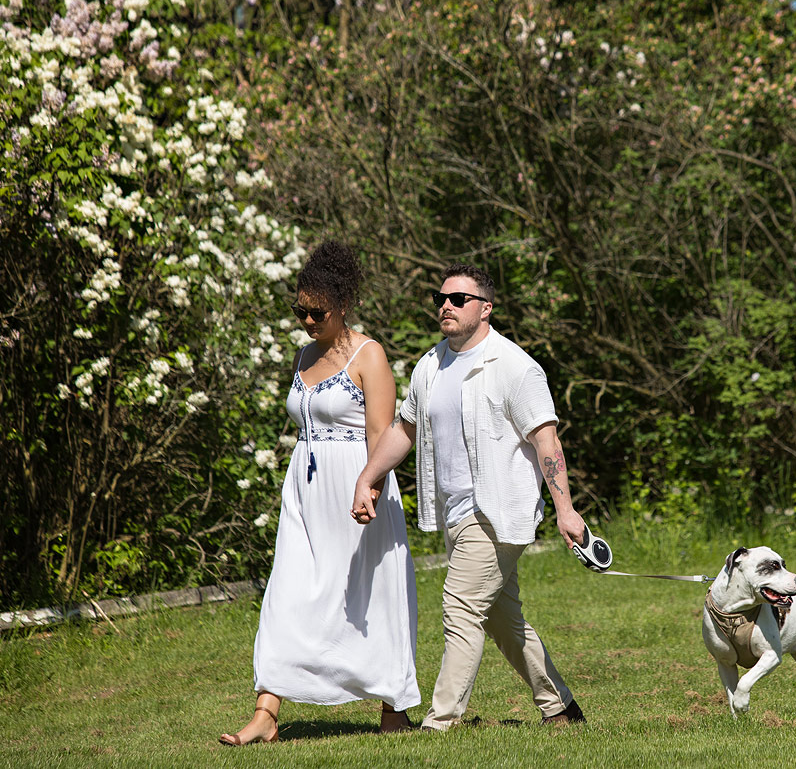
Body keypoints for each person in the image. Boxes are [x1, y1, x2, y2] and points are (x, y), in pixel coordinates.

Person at [351, 263, 588, 730]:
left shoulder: (516, 367)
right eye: (441, 298)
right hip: (454, 512)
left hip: (497, 512)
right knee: (503, 619)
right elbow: (404, 429)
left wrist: (566, 508)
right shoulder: (431, 365)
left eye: (459, 299)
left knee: (460, 606)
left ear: (485, 308)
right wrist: (368, 476)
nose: (446, 305)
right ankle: (560, 708)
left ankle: (442, 722)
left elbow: (547, 442)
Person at [219, 241, 420, 746]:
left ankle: (393, 708)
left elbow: (382, 435)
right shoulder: (303, 354)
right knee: (286, 592)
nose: (307, 321)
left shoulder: (369, 355)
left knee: (372, 596)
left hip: (357, 486)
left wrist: (369, 486)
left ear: (343, 305)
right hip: (305, 490)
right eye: (300, 311)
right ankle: (266, 711)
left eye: (317, 313)